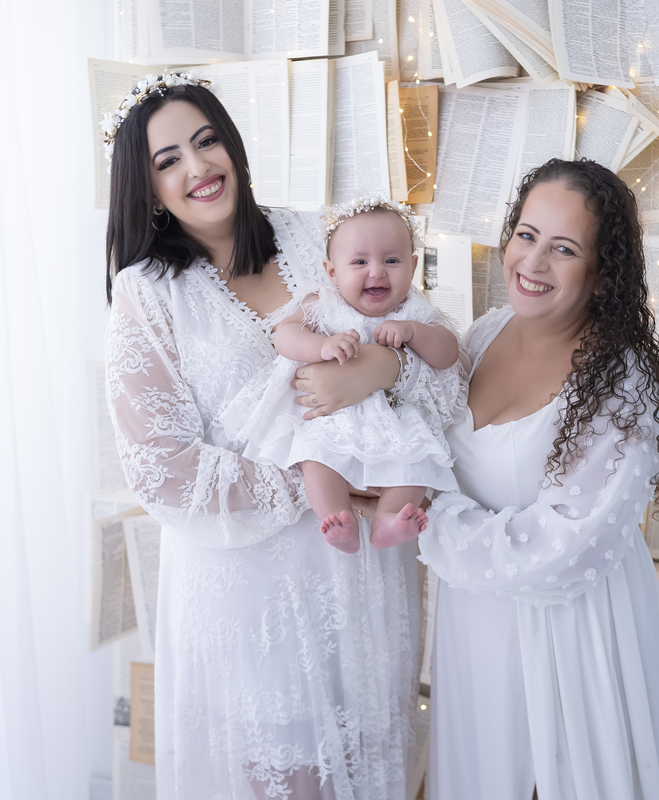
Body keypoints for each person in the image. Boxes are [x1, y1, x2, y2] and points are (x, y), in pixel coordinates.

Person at [102, 71, 445, 799]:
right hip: (252, 592)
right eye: (168, 161)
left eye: (207, 141)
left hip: (361, 579)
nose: (197, 168)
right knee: (287, 780)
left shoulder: (310, 233)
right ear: (146, 186)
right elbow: (159, 466)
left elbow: (437, 355)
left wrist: (377, 371)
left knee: (369, 767)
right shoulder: (147, 292)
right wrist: (316, 480)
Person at [418, 158, 659, 800]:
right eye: (527, 235)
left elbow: (561, 549)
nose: (532, 263)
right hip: (474, 632)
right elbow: (419, 431)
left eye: (563, 249)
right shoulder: (483, 336)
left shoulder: (623, 386)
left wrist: (424, 520)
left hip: (572, 640)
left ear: (601, 276)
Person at [218, 195, 466, 554]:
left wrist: (414, 332)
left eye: (392, 260)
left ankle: (388, 519)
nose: (377, 271)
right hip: (332, 419)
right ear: (332, 271)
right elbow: (284, 335)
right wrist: (321, 346)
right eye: (360, 262)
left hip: (396, 420)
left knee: (414, 461)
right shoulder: (324, 304)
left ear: (412, 266)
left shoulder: (417, 311)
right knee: (317, 459)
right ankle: (336, 517)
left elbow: (448, 354)